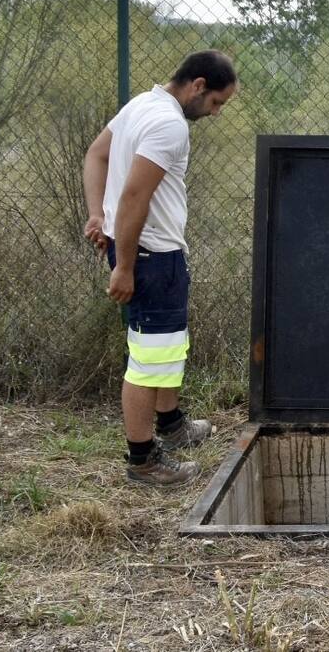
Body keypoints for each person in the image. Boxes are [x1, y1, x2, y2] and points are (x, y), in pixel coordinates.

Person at [82, 50, 237, 487]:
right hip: (150, 256)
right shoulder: (169, 125)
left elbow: (96, 155)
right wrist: (126, 267)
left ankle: (170, 422)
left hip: (145, 251)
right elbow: (134, 197)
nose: (216, 113)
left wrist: (98, 216)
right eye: (216, 103)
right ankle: (143, 461)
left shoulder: (141, 105)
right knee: (149, 359)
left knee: (167, 344)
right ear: (199, 85)